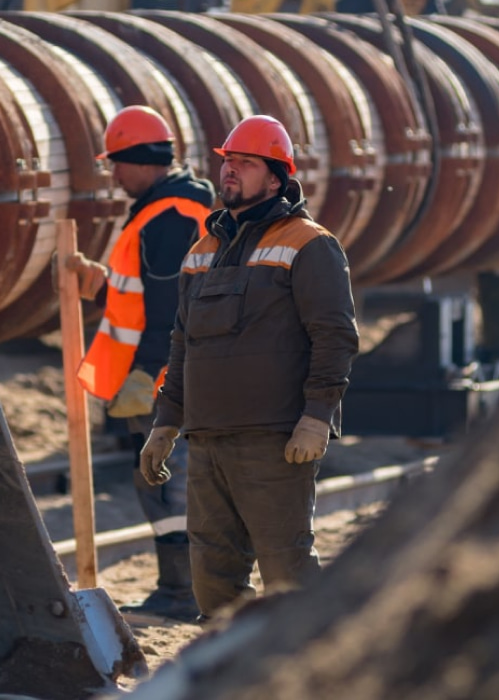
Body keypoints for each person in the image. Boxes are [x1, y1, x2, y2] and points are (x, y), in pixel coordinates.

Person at [139, 114, 359, 620]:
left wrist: (317, 416)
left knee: (286, 570)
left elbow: (335, 335)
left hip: (275, 441)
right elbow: (183, 344)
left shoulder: (309, 243)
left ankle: (310, 660)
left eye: (245, 162)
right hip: (207, 440)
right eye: (227, 161)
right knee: (212, 578)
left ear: (276, 178)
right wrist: (166, 423)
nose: (230, 170)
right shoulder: (202, 252)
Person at [67, 105, 215, 621]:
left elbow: (170, 308)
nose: (113, 175)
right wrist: (100, 286)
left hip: (165, 373)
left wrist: (150, 374)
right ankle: (184, 588)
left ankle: (182, 592)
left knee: (164, 479)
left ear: (141, 160)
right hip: (180, 369)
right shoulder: (176, 208)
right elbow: (148, 296)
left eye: (116, 164)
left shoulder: (169, 216)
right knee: (166, 477)